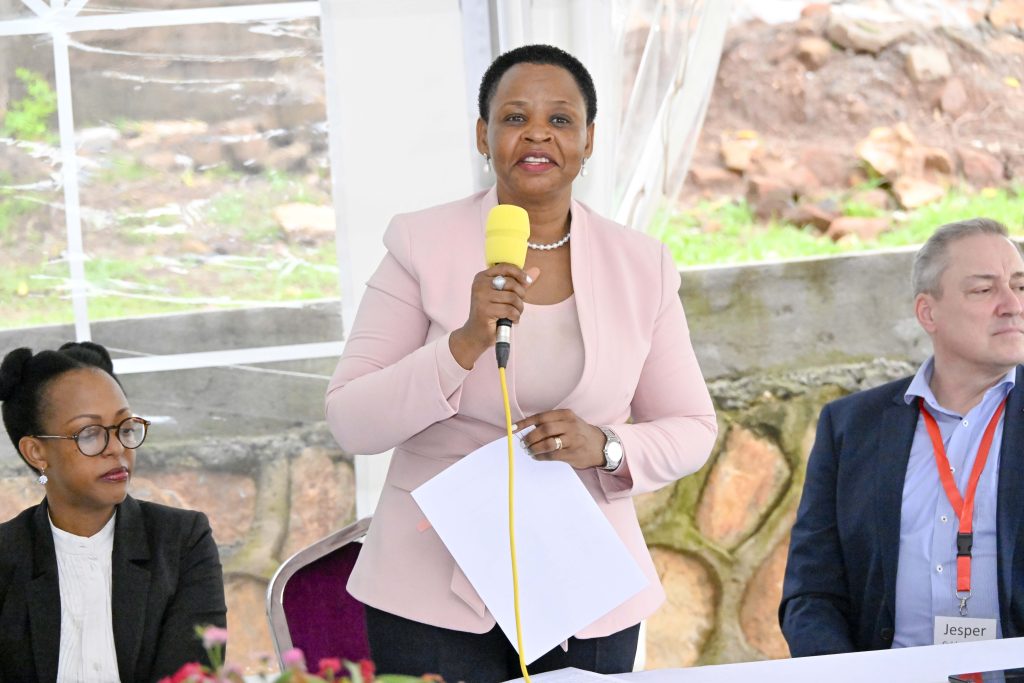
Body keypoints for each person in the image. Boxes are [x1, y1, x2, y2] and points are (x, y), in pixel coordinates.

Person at [325, 44, 717, 681]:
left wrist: (605, 446)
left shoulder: (642, 264)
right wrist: (462, 345)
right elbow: (351, 420)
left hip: (583, 583)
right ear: (483, 135)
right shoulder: (420, 243)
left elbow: (693, 428)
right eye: (515, 117)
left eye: (560, 119)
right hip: (431, 585)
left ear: (589, 141)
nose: (537, 133)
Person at [780, 218, 1024, 656]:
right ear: (928, 313)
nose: (1012, 304)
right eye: (983, 289)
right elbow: (812, 592)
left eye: (1020, 286)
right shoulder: (851, 427)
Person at [0, 342, 227, 682]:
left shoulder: (181, 542)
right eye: (90, 433)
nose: (117, 448)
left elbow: (192, 675)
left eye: (125, 428)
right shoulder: (7, 555)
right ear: (36, 452)